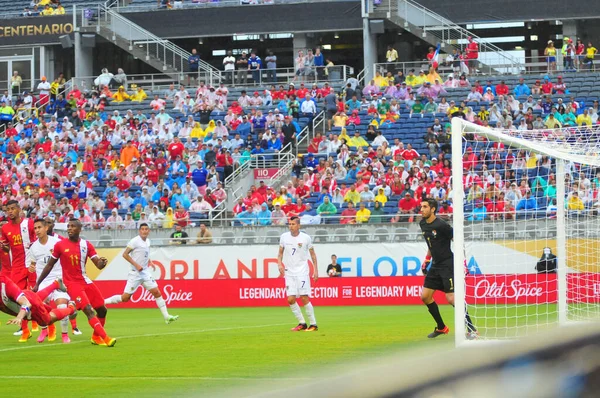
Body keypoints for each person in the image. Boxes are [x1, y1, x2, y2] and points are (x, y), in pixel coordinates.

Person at [34, 219, 117, 347]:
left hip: (85, 281)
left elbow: (98, 264)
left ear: (79, 229)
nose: (70, 228)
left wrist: (102, 263)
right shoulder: (60, 245)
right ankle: (106, 338)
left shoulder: (86, 245)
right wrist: (38, 283)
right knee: (88, 310)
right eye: (68, 226)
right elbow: (49, 265)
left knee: (102, 310)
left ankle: (95, 337)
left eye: (73, 226)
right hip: (72, 284)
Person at [419, 198, 477, 339]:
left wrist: (463, 262)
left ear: (433, 209)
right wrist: (427, 259)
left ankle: (472, 330)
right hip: (436, 264)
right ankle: (441, 327)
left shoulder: (442, 225)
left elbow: (458, 241)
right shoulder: (422, 224)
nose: (422, 209)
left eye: (425, 207)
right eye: (421, 206)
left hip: (447, 264)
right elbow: (431, 244)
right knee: (425, 297)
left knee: (451, 298)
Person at [104, 223, 179, 324]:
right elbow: (125, 254)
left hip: (145, 272)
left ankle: (166, 316)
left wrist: (150, 261)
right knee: (125, 298)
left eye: (146, 229)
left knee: (157, 292)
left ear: (149, 231)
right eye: (142, 229)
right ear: (139, 231)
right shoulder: (135, 241)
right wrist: (136, 265)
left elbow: (144, 254)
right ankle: (102, 302)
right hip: (135, 273)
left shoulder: (148, 241)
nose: (144, 231)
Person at [29, 219, 74, 344]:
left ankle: (64, 334)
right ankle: (44, 330)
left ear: (46, 228)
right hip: (43, 281)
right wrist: (31, 267)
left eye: (39, 227)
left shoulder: (57, 242)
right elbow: (31, 264)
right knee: (38, 307)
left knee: (62, 306)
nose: (37, 230)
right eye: (35, 228)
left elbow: (67, 257)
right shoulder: (33, 247)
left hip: (58, 278)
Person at [1, 200, 37, 338]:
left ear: (18, 209)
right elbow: (7, 248)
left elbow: (38, 240)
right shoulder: (5, 229)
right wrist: (4, 247)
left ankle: (47, 326)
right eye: (7, 209)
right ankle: (25, 331)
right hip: (17, 267)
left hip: (32, 265)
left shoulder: (29, 223)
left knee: (36, 295)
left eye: (12, 209)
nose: (10, 211)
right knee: (18, 298)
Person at [278, 216, 319, 332]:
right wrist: (279, 264)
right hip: (289, 273)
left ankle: (313, 324)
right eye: (289, 224)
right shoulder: (284, 237)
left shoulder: (306, 238)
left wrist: (316, 270)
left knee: (304, 297)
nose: (290, 226)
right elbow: (280, 254)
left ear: (299, 225)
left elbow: (313, 255)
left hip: (302, 272)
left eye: (293, 224)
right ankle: (302, 323)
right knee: (290, 299)